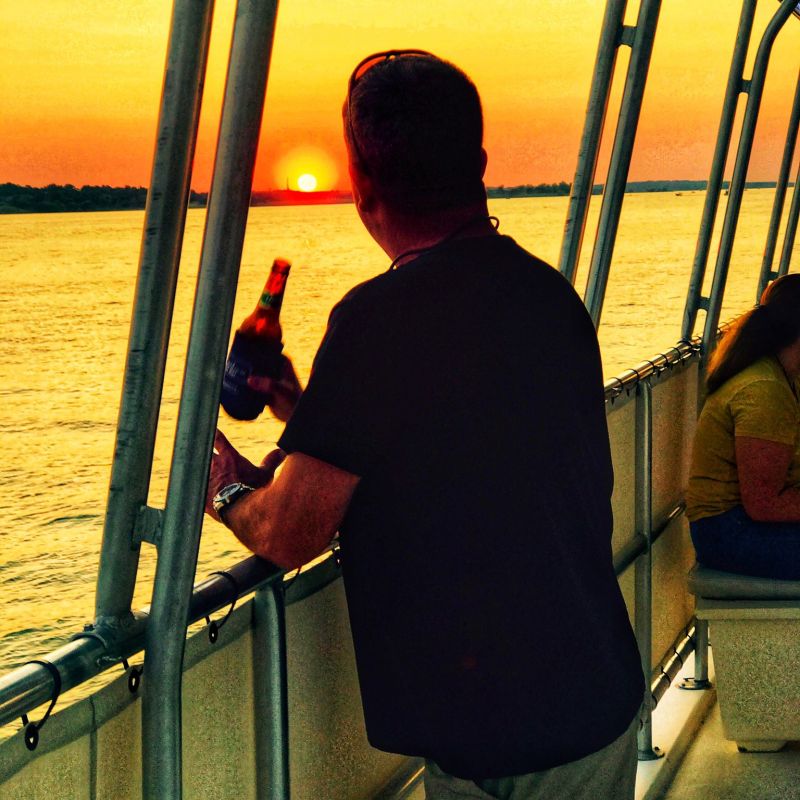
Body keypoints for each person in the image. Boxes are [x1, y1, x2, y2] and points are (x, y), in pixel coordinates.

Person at [206, 50, 644, 799]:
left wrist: (220, 490)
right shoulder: (547, 298)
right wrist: (306, 408)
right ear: (477, 161)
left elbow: (289, 534)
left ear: (362, 183)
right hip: (592, 686)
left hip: (495, 731)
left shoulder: (378, 321)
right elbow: (464, 441)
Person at [686, 273, 800, 580]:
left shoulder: (784, 376)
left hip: (742, 526)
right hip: (730, 533)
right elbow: (764, 504)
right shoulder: (764, 390)